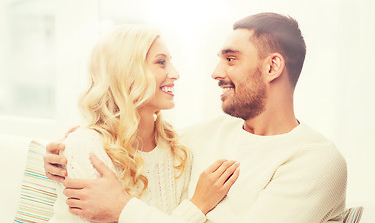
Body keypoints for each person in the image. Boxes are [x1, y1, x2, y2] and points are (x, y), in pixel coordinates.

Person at [45, 12, 347, 223]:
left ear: (272, 67)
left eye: (230, 59)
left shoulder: (315, 161)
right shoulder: (196, 140)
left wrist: (123, 209)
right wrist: (66, 155)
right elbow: (132, 148)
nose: (215, 72)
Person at [47, 24, 240, 223]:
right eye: (161, 63)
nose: (175, 74)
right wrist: (197, 206)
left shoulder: (177, 150)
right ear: (127, 73)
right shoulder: (86, 147)